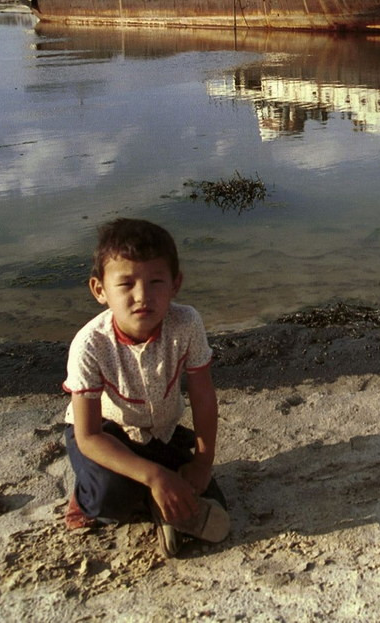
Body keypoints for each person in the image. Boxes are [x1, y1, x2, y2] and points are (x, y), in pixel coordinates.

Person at [62, 218, 229, 556]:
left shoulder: (186, 324)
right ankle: (87, 494)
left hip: (160, 430)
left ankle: (157, 503)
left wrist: (203, 461)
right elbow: (89, 436)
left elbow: (202, 397)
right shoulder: (90, 344)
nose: (142, 296)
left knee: (211, 494)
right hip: (106, 434)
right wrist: (155, 477)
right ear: (100, 290)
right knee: (110, 498)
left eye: (156, 282)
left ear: (175, 284)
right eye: (126, 284)